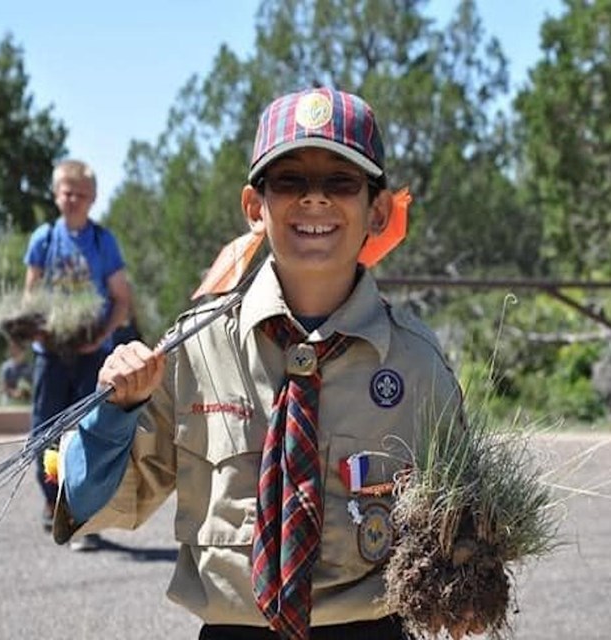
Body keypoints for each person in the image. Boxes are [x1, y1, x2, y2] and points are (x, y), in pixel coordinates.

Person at [52, 88, 464, 638]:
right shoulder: (195, 350)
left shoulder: (417, 363)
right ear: (255, 206)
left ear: (378, 209)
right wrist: (115, 414)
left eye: (341, 182)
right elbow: (94, 505)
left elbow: (463, 533)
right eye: (290, 180)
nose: (314, 200)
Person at [24, 159, 131, 550]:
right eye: (67, 192)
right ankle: (53, 503)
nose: (73, 200)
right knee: (43, 431)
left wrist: (101, 334)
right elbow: (30, 295)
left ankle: (83, 514)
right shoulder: (44, 239)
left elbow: (121, 299)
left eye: (81, 194)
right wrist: (38, 328)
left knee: (89, 433)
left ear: (93, 198)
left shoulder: (104, 243)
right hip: (51, 354)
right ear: (56, 195)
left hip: (92, 355)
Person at [0, 339, 33, 405]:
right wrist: (14, 393)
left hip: (25, 403)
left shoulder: (29, 367)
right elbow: (2, 388)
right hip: (9, 402)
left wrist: (27, 392)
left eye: (21, 350)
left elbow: (33, 386)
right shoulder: (6, 367)